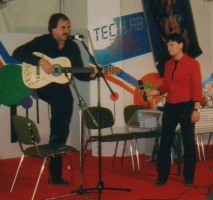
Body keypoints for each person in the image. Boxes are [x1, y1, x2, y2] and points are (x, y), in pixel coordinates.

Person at [12, 13, 97, 186]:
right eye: (63, 28)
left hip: (59, 89)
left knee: (62, 117)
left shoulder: (72, 47)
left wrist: (92, 75)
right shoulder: (43, 41)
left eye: (68, 27)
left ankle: (55, 169)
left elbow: (78, 74)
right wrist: (41, 61)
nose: (67, 30)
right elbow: (17, 52)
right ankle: (56, 149)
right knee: (63, 99)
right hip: (42, 85)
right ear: (53, 29)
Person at [143, 33, 202, 186]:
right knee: (165, 141)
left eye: (172, 45)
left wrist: (196, 110)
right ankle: (162, 176)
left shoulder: (192, 64)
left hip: (187, 106)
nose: (169, 48)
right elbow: (164, 87)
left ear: (181, 45)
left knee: (188, 142)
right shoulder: (168, 64)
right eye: (168, 45)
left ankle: (189, 177)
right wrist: (152, 92)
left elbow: (197, 89)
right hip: (171, 106)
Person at [148, 0, 202, 77]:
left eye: (176, 15)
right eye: (164, 19)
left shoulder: (194, 58)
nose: (171, 26)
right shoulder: (164, 64)